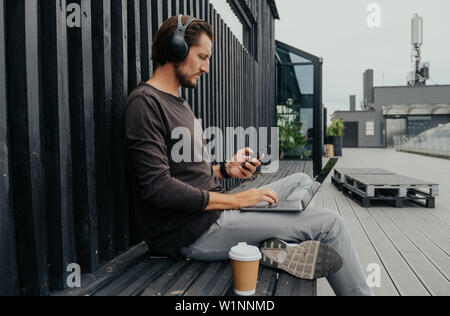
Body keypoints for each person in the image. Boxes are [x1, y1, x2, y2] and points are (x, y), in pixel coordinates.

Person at [125, 15, 373, 296]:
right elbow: (157, 188)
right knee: (331, 224)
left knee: (300, 180)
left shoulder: (178, 102)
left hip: (214, 213)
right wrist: (236, 200)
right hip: (194, 231)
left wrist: (226, 170)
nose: (206, 67)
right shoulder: (145, 104)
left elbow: (185, 171)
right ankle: (276, 246)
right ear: (176, 48)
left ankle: (273, 248)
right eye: (202, 57)